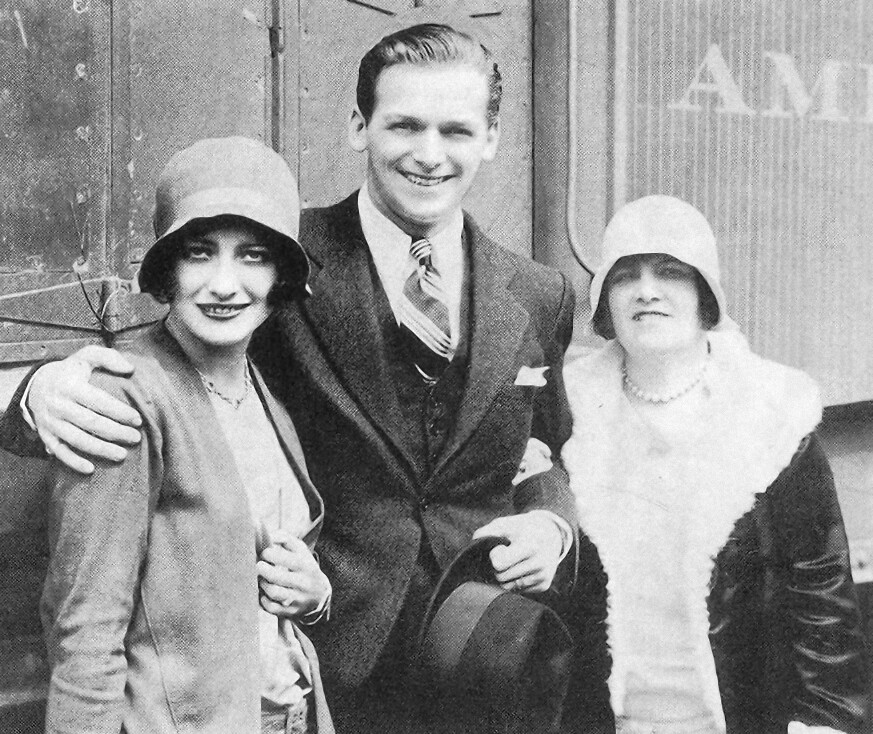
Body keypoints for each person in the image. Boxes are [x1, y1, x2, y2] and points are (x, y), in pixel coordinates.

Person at [3, 24, 580, 733]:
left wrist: (550, 523)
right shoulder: (268, 247)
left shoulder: (538, 293)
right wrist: (32, 393)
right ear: (358, 126)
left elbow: (544, 450)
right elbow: (158, 362)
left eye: (456, 130)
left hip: (473, 653)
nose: (430, 154)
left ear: (489, 138)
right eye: (404, 125)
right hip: (321, 672)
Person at [33, 137, 335, 733]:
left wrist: (313, 594)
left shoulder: (264, 392)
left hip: (292, 716)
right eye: (200, 254)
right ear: (169, 269)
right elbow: (84, 631)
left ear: (279, 273)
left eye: (252, 256)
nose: (224, 284)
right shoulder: (126, 396)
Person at [561, 195, 869, 734]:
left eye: (670, 272)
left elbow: (822, 601)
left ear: (705, 293)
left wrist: (824, 723)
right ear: (604, 300)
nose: (647, 290)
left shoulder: (774, 415)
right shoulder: (568, 413)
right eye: (625, 275)